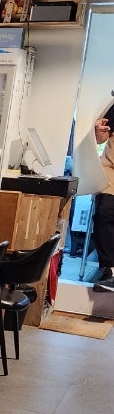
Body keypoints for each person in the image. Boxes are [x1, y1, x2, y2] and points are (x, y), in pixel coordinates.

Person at [92, 114, 114, 292]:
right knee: (103, 213)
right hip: (111, 170)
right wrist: (97, 130)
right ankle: (110, 270)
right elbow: (100, 138)